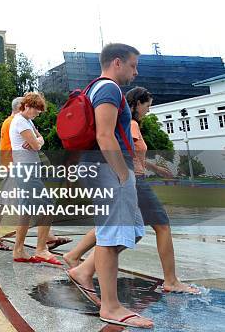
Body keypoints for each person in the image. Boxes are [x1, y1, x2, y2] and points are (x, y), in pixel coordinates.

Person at [64, 87, 199, 295]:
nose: (149, 110)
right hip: (134, 179)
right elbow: (127, 149)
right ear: (136, 104)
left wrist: (154, 168)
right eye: (147, 106)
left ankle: (77, 258)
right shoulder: (132, 124)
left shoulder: (129, 123)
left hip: (130, 176)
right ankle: (171, 280)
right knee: (161, 225)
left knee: (119, 225)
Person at [64, 43, 153, 329]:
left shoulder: (95, 88)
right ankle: (111, 307)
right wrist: (122, 174)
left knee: (133, 229)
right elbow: (104, 135)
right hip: (108, 169)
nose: (135, 72)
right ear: (117, 62)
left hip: (101, 168)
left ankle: (84, 270)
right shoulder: (109, 89)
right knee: (111, 235)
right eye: (133, 65)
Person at [0, 98, 71, 252]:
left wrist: (37, 140)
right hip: (15, 167)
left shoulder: (21, 121)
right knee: (22, 204)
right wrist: (34, 143)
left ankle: (43, 238)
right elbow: (17, 145)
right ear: (21, 107)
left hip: (15, 166)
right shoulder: (14, 122)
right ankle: (42, 240)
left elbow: (38, 140)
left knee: (20, 204)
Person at [7, 92, 62, 265]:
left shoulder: (27, 121)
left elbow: (39, 140)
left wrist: (38, 140)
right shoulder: (20, 122)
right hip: (26, 170)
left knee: (26, 211)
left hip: (27, 169)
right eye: (37, 111)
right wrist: (37, 141)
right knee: (48, 205)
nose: (38, 114)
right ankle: (41, 249)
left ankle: (19, 250)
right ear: (28, 106)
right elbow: (37, 145)